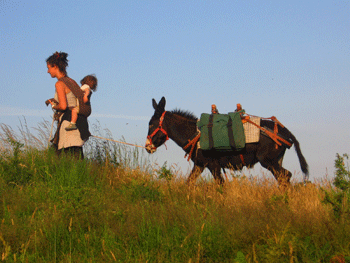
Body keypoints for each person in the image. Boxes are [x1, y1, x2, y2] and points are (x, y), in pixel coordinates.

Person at [46, 51, 91, 158]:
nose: (48, 71)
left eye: (49, 68)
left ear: (55, 66)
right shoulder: (72, 81)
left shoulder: (59, 84)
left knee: (63, 160)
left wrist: (54, 106)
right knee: (77, 159)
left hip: (68, 126)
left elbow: (63, 106)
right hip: (78, 125)